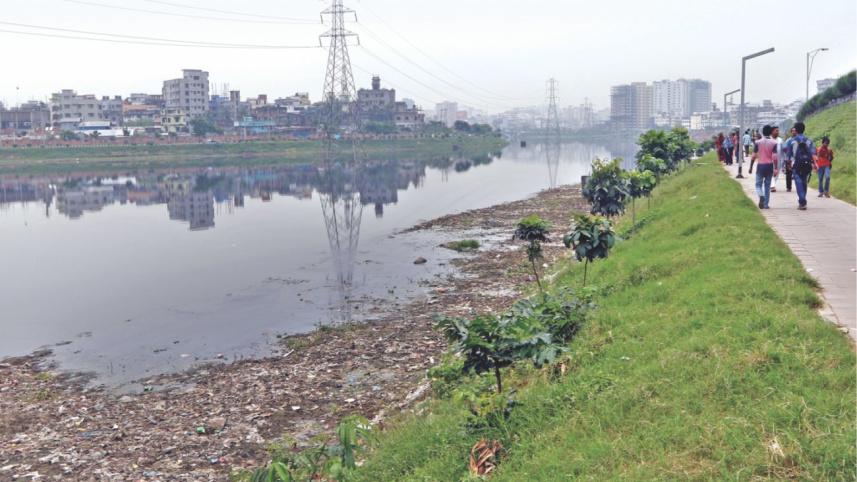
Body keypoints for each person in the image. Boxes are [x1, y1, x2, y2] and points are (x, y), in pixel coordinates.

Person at [784, 121, 818, 210]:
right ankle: (802, 201)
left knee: (798, 182)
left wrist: (787, 163)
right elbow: (813, 153)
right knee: (804, 182)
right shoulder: (809, 140)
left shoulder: (791, 141)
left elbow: (788, 154)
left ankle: (803, 201)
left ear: (796, 129)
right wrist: (815, 164)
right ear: (804, 129)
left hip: (796, 164)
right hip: (807, 164)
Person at [751, 125, 779, 209]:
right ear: (771, 132)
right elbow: (775, 157)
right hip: (769, 166)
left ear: (762, 132)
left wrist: (751, 167)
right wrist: (776, 168)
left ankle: (761, 195)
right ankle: (766, 204)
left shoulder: (758, 142)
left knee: (758, 184)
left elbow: (753, 156)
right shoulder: (774, 143)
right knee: (767, 185)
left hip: (760, 166)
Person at [770, 126, 783, 192]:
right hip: (770, 158)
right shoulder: (769, 139)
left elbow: (782, 150)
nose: (778, 132)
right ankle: (772, 185)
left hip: (778, 159)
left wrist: (784, 159)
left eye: (778, 131)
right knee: (771, 171)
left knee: (776, 172)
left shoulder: (780, 140)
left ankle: (773, 184)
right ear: (772, 131)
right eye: (776, 131)